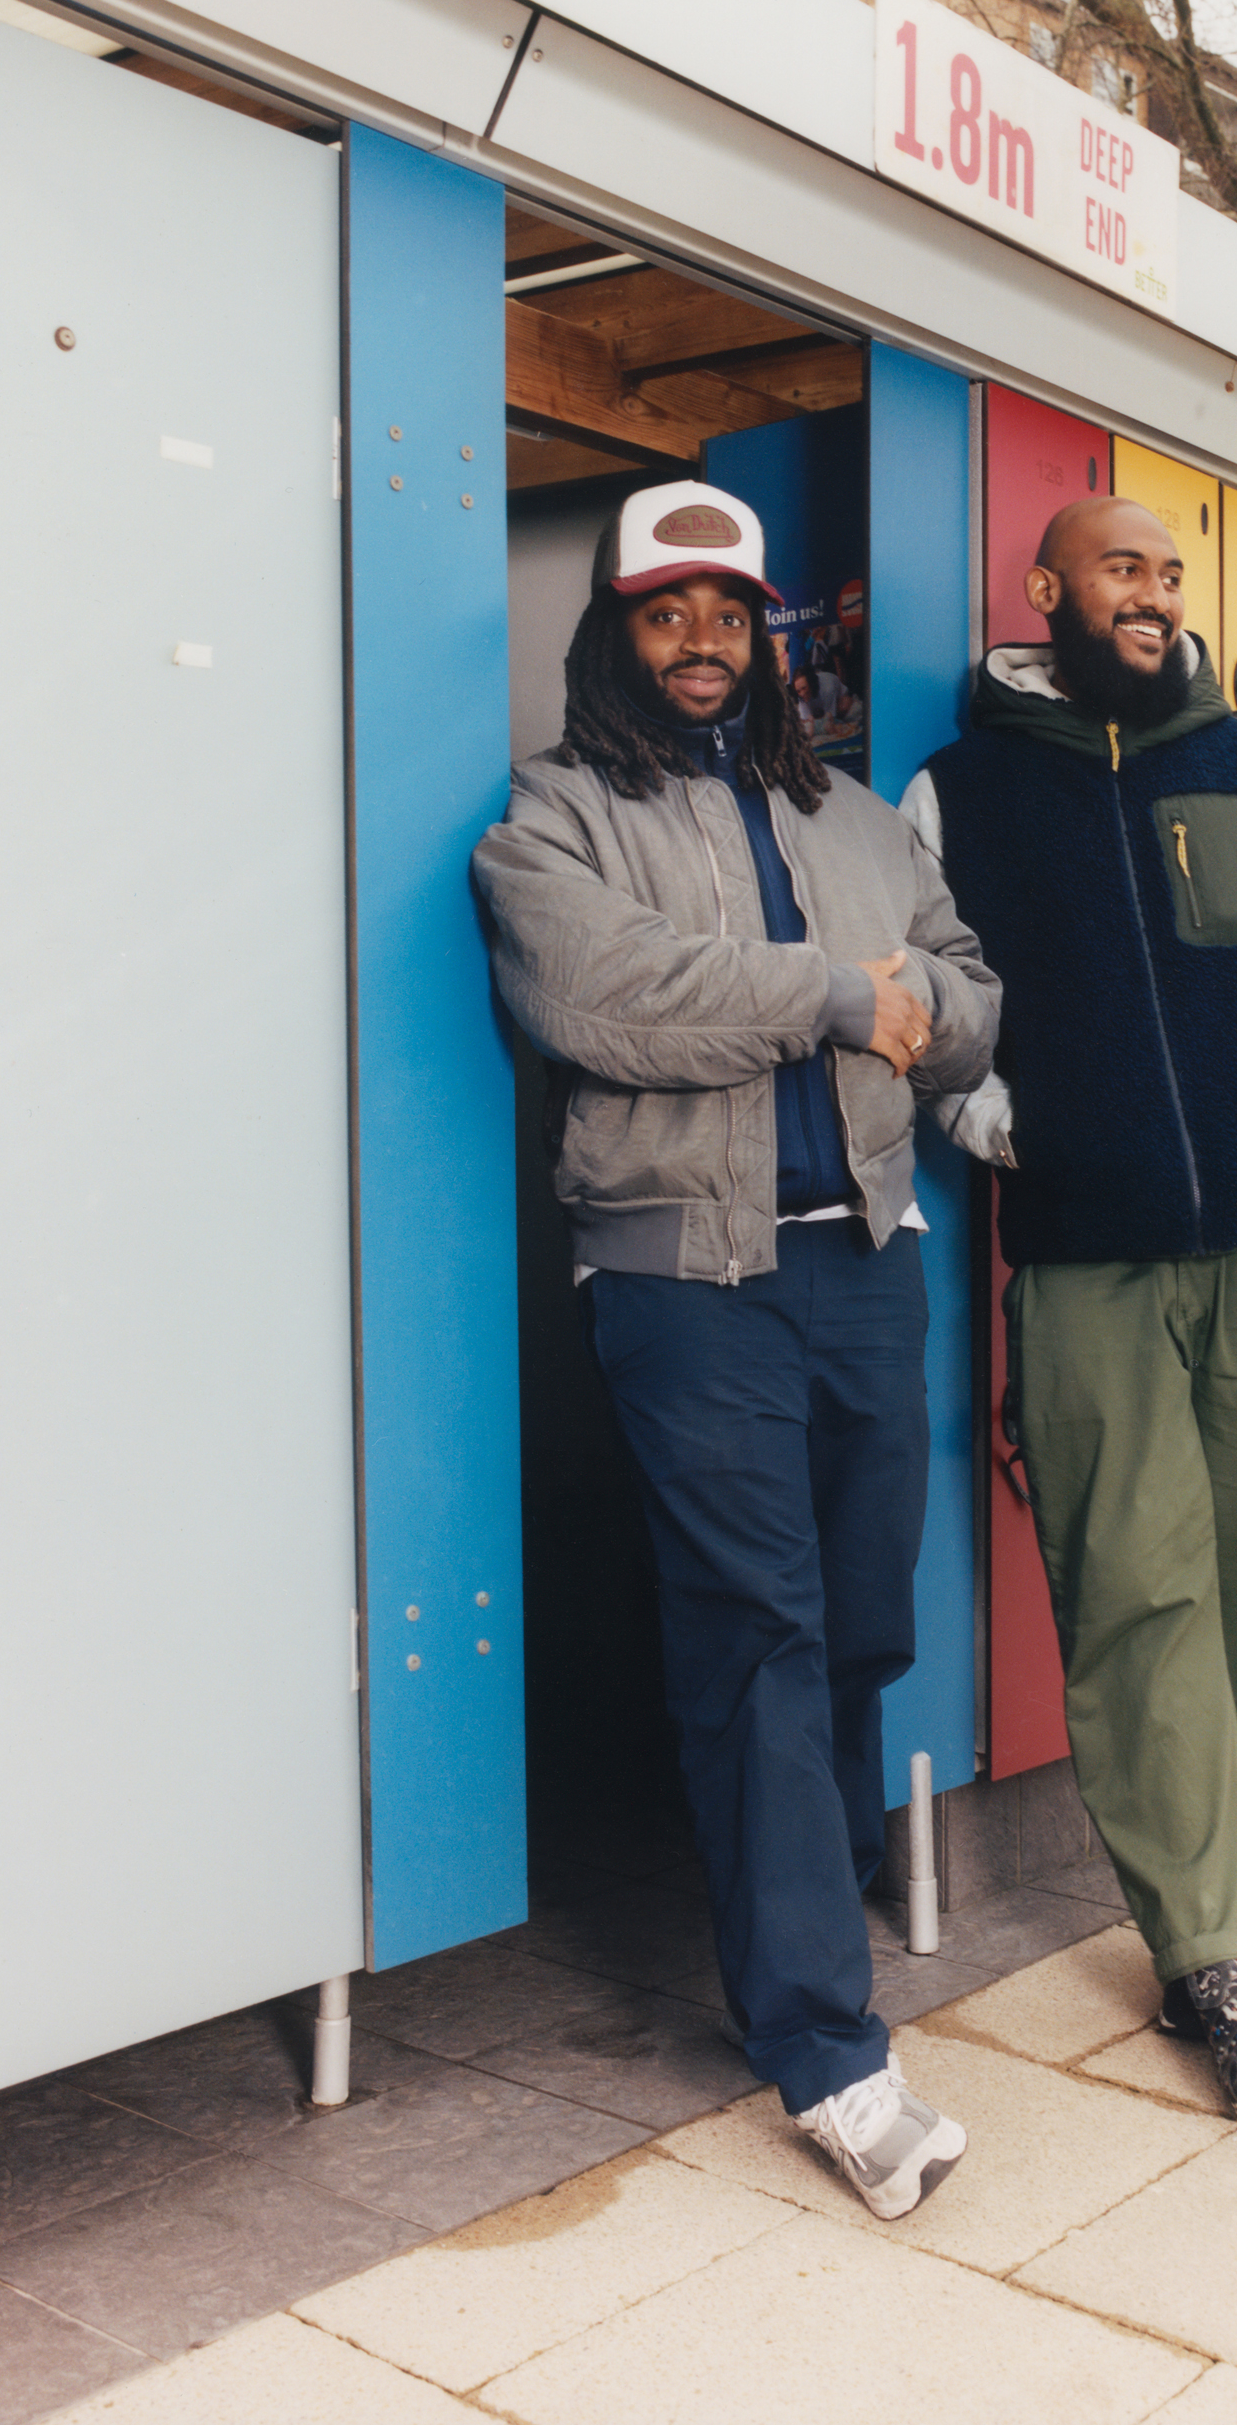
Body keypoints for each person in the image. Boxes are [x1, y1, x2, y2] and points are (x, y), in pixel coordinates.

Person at [473, 480, 1000, 2217]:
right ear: (613, 633)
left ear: (768, 635)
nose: (703, 641)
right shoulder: (548, 817)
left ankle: (797, 1894)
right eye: (664, 612)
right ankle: (825, 2046)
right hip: (681, 1284)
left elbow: (968, 984)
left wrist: (915, 1005)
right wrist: (845, 994)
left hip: (861, 1261)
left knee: (861, 1621)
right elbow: (602, 999)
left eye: (730, 614)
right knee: (759, 1634)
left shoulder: (851, 812)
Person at [900, 495, 1237, 2117]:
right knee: (1133, 1587)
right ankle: (1205, 1947)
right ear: (1048, 591)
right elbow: (940, 1027)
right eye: (1123, 568)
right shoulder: (956, 794)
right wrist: (1016, 1130)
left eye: (1170, 575)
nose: (1154, 596)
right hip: (1087, 1259)